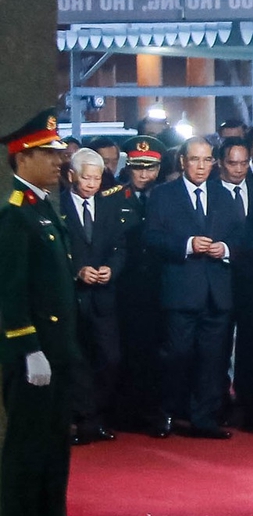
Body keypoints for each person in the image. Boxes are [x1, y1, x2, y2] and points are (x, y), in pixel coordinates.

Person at [0, 109, 85, 516]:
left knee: (54, 449)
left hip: (58, 354)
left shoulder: (44, 209)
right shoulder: (15, 218)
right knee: (27, 451)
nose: (59, 162)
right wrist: (28, 346)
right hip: (32, 356)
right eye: (49, 154)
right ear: (23, 157)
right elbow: (10, 293)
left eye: (58, 153)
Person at [146, 137, 248, 439]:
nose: (201, 166)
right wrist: (187, 245)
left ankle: (204, 418)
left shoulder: (224, 194)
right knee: (176, 357)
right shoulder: (163, 195)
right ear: (182, 161)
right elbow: (151, 237)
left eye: (207, 160)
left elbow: (242, 239)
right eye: (195, 160)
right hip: (180, 291)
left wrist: (225, 249)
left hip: (217, 293)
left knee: (213, 360)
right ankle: (166, 413)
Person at [61, 148, 122, 445]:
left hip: (103, 296)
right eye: (86, 178)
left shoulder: (110, 207)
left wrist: (111, 268)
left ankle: (95, 415)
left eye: (97, 178)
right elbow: (56, 251)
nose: (91, 184)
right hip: (72, 297)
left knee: (109, 358)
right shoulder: (57, 205)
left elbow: (121, 247)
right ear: (71, 175)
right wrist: (77, 270)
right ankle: (79, 420)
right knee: (76, 360)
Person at [109, 135, 164, 432]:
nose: (144, 174)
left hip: (160, 286)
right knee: (127, 351)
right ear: (128, 167)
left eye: (150, 167)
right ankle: (124, 411)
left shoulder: (167, 197)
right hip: (125, 287)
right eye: (138, 167)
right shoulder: (114, 198)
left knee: (156, 353)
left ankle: (152, 411)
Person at [216, 138, 253, 428]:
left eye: (243, 163)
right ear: (221, 162)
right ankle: (219, 403)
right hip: (218, 278)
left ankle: (251, 406)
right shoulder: (208, 193)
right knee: (218, 347)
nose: (238, 169)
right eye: (232, 163)